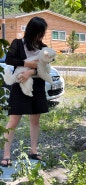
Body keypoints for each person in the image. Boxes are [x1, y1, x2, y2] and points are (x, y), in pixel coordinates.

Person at [0, 16, 49, 167]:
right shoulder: (17, 43)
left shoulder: (44, 48)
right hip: (19, 86)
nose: (42, 36)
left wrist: (30, 72)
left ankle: (33, 150)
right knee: (13, 120)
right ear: (32, 31)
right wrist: (26, 63)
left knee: (35, 120)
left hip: (37, 86)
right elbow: (9, 60)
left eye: (43, 32)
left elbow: (44, 68)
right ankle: (6, 154)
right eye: (40, 32)